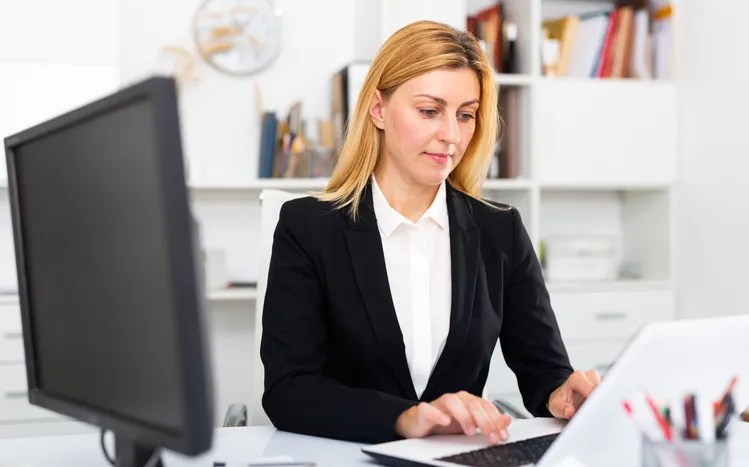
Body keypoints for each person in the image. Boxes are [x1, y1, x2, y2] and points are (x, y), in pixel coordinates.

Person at [260, 20, 600, 445]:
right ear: (378, 109)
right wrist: (405, 418)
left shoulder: (500, 230)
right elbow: (289, 390)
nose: (451, 136)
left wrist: (561, 393)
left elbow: (543, 368)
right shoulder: (308, 226)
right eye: (429, 111)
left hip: (458, 458)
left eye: (466, 115)